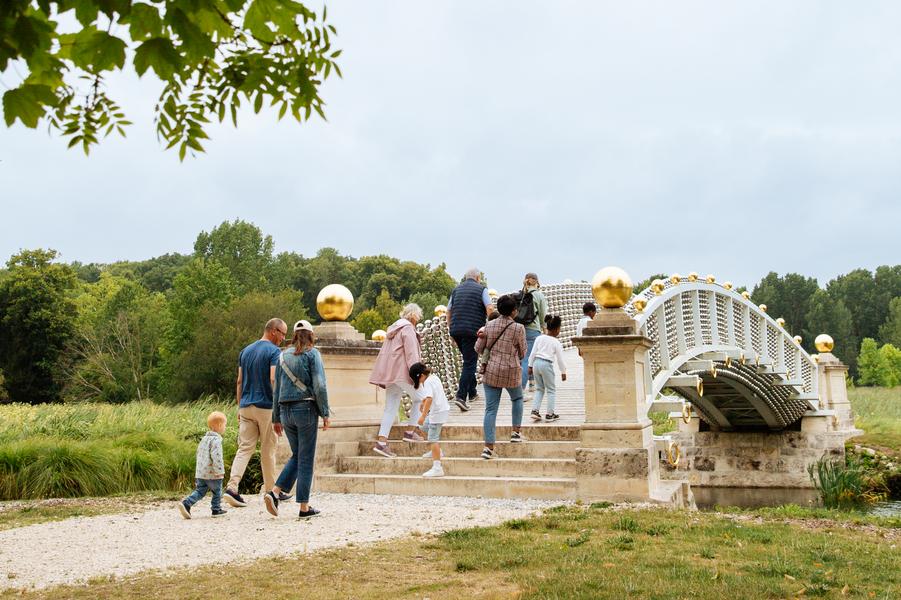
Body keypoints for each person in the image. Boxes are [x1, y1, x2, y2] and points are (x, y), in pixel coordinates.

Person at [264, 320, 330, 520]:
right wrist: (325, 412)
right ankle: (304, 507)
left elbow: (276, 388)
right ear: (311, 335)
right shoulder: (312, 354)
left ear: (293, 335)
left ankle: (274, 492)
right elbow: (319, 385)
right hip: (305, 408)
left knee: (298, 455)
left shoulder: (282, 356)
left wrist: (276, 417)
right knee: (306, 458)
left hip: (285, 411)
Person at [224, 318, 287, 509]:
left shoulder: (245, 351)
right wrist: (279, 408)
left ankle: (232, 487)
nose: (284, 339)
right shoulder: (274, 352)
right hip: (266, 406)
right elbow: (273, 379)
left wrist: (239, 405)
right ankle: (271, 491)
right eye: (283, 334)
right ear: (274, 331)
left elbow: (239, 381)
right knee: (268, 449)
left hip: (245, 405)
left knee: (244, 448)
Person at [474, 294, 527, 459]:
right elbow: (523, 352)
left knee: (490, 409)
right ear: (513, 311)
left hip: (491, 371)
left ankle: (488, 448)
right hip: (511, 371)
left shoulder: (489, 325)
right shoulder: (519, 328)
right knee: (517, 399)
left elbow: (479, 348)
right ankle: (515, 433)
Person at [369, 304, 425, 458]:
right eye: (418, 317)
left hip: (390, 373)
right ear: (413, 316)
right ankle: (410, 432)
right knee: (421, 397)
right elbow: (412, 353)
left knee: (390, 407)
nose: (418, 320)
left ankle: (382, 442)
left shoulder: (393, 330)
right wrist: (417, 375)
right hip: (402, 372)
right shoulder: (407, 329)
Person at [446, 268, 492, 412]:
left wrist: (450, 329)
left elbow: (448, 310)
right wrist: (490, 325)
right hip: (472, 331)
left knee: (468, 360)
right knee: (470, 363)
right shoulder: (482, 290)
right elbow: (489, 308)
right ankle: (461, 396)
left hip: (456, 330)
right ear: (478, 278)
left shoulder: (456, 290)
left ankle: (472, 392)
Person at [178, 411, 228, 519]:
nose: (225, 427)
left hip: (201, 472)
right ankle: (216, 509)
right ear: (219, 426)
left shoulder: (204, 439)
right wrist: (219, 471)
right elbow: (217, 457)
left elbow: (199, 454)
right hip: (212, 473)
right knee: (217, 490)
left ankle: (187, 503)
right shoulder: (216, 440)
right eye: (225, 425)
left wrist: (199, 470)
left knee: (200, 491)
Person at [410, 362, 449, 478]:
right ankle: (436, 452)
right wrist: (423, 402)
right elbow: (431, 395)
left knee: (433, 439)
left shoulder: (427, 382)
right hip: (442, 410)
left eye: (419, 380)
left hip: (437, 413)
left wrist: (423, 415)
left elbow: (430, 399)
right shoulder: (434, 377)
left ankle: (437, 467)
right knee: (423, 427)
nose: (420, 383)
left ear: (421, 375)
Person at [528, 315, 568, 422]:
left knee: (539, 389)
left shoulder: (539, 338)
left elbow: (533, 353)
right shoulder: (556, 342)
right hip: (547, 364)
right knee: (551, 390)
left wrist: (530, 365)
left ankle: (535, 411)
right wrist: (563, 372)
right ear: (556, 329)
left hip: (536, 363)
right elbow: (560, 359)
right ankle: (550, 414)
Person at [515, 273, 548, 392]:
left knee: (522, 358)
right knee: (529, 358)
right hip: (533, 330)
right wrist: (545, 331)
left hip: (518, 329)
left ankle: (532, 383)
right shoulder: (539, 295)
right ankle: (521, 389)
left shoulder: (520, 295)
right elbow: (543, 316)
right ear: (537, 282)